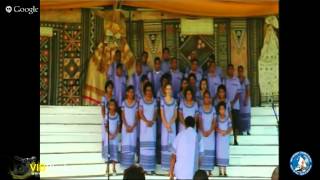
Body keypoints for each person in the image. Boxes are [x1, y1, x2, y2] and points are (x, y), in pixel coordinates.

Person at [138, 82, 157, 174]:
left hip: (152, 127)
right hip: (144, 127)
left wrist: (152, 121)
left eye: (150, 90)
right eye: (147, 90)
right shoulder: (141, 101)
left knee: (151, 149)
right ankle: (144, 168)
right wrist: (146, 121)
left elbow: (155, 113)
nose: (149, 92)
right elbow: (140, 113)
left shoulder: (154, 101)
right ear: (145, 91)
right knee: (144, 149)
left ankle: (151, 168)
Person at [160, 83, 178, 171]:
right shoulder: (162, 101)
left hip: (172, 126)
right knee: (165, 145)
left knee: (172, 147)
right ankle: (165, 167)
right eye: (167, 88)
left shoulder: (175, 101)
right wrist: (166, 124)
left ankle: (171, 168)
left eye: (170, 88)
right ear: (165, 90)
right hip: (164, 126)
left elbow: (175, 115)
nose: (169, 90)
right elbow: (162, 114)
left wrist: (170, 124)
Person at [199, 91, 216, 176]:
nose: (207, 98)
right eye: (205, 97)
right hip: (202, 133)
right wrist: (203, 130)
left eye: (208, 97)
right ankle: (202, 169)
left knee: (210, 150)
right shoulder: (200, 108)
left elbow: (214, 121)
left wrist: (209, 131)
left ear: (210, 98)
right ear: (203, 98)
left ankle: (209, 170)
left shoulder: (213, 109)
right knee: (202, 150)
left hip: (210, 133)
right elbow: (200, 120)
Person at [121, 86, 139, 169]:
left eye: (132, 92)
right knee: (126, 144)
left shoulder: (136, 103)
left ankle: (131, 165)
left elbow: (137, 117)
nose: (131, 93)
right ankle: (125, 165)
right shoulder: (123, 103)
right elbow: (123, 115)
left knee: (132, 144)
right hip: (125, 128)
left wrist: (133, 126)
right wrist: (126, 126)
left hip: (133, 128)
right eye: (130, 92)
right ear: (127, 93)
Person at [224, 64, 241, 145]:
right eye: (229, 69)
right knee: (228, 122)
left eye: (231, 69)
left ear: (233, 70)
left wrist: (233, 102)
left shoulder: (236, 80)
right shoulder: (224, 80)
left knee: (236, 123)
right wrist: (227, 102)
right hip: (227, 106)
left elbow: (239, 92)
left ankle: (235, 139)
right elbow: (222, 92)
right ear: (227, 70)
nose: (230, 70)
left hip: (235, 106)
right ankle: (227, 139)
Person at [103, 99, 120, 175]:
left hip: (115, 137)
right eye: (111, 104)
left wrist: (115, 134)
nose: (112, 106)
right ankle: (107, 169)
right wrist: (109, 134)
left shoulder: (117, 115)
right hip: (108, 137)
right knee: (108, 152)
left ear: (115, 106)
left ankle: (114, 168)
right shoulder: (107, 115)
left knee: (114, 153)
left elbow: (118, 126)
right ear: (109, 106)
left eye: (113, 104)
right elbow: (106, 126)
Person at [216, 101, 233, 177]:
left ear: (225, 110)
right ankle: (220, 170)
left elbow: (230, 127)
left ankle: (225, 171)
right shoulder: (216, 118)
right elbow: (215, 127)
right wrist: (220, 131)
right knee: (219, 153)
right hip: (219, 138)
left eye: (223, 109)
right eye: (220, 109)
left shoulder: (228, 118)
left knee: (225, 153)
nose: (222, 110)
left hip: (225, 139)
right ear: (218, 110)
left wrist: (226, 132)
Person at [238, 65, 251, 135]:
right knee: (240, 116)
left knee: (246, 115)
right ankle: (241, 130)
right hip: (239, 100)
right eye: (239, 71)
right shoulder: (236, 79)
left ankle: (248, 130)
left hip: (245, 100)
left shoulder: (246, 80)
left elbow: (248, 91)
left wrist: (246, 99)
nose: (240, 72)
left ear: (243, 71)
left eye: (241, 71)